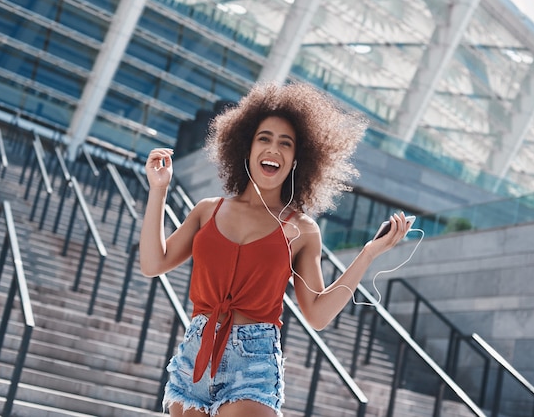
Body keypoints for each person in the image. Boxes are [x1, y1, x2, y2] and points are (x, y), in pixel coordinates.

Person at [139, 82, 411, 417]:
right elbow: (154, 264)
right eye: (264, 138)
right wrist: (159, 191)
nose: (274, 149)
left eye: (286, 143)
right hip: (195, 354)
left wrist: (368, 254)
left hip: (254, 362)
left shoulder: (302, 229)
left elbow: (317, 314)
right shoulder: (207, 210)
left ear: (298, 159)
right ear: (247, 148)